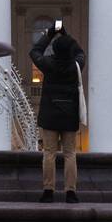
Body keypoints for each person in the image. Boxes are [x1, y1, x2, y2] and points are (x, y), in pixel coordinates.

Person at [30, 21, 86, 203]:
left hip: (50, 114)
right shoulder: (76, 65)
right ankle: (71, 192)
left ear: (54, 49)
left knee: (49, 153)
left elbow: (35, 51)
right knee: (70, 154)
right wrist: (65, 33)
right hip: (69, 115)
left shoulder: (48, 64)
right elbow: (79, 52)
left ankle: (48, 191)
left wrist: (51, 33)